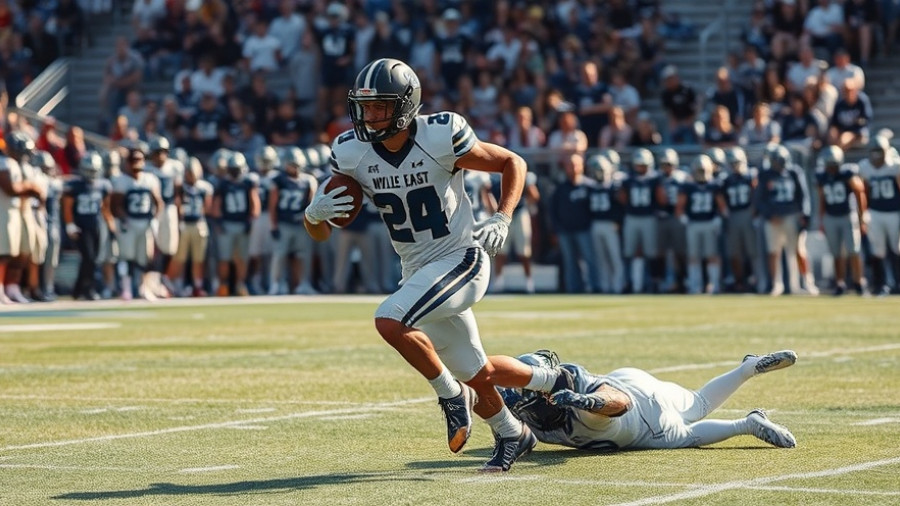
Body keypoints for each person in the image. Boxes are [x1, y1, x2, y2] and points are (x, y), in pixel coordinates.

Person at [304, 58, 570, 472]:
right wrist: (312, 216)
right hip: (417, 271)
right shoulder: (350, 153)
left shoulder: (441, 134)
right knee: (477, 371)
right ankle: (517, 425)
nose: (370, 116)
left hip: (461, 259)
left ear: (406, 106)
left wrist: (502, 216)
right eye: (365, 106)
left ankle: (450, 395)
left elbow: (512, 162)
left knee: (389, 319)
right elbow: (322, 233)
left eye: (380, 106)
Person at [498, 349, 798, 452]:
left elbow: (618, 403)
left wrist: (585, 401)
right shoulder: (531, 414)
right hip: (631, 379)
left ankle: (747, 424)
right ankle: (747, 368)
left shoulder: (574, 408)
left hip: (644, 418)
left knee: (689, 433)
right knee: (698, 403)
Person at [755, 144, 811, 296]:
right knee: (774, 252)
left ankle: (805, 283)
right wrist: (769, 215)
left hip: (792, 215)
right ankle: (776, 284)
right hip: (773, 218)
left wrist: (804, 215)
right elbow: (759, 199)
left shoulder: (794, 172)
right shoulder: (765, 175)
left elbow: (803, 195)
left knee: (798, 250)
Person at [111, 143, 164, 300]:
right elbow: (116, 205)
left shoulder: (150, 179)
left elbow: (158, 202)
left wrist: (155, 219)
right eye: (133, 160)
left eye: (140, 159)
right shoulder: (121, 181)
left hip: (145, 222)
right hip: (129, 223)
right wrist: (123, 219)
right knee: (126, 257)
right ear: (127, 162)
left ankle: (143, 288)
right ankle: (126, 289)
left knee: (144, 258)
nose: (137, 163)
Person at [62, 152, 116, 301]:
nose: (91, 173)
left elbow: (105, 208)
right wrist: (70, 225)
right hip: (80, 226)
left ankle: (78, 290)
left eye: (94, 170)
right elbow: (67, 207)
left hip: (96, 225)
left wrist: (111, 224)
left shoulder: (103, 185)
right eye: (89, 170)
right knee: (89, 258)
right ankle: (88, 289)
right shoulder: (75, 185)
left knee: (92, 259)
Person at [815, 146, 867, 296]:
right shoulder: (822, 176)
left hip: (847, 214)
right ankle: (840, 283)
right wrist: (821, 220)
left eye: (833, 165)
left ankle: (858, 282)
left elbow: (860, 193)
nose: (831, 168)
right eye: (829, 165)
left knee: (853, 250)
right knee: (836, 252)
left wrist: (861, 217)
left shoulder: (847, 173)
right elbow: (822, 199)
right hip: (831, 216)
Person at [676, 155, 727, 294]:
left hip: (710, 222)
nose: (701, 173)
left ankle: (714, 285)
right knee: (694, 256)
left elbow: (722, 206)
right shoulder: (688, 186)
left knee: (712, 255)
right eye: (699, 170)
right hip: (693, 223)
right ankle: (695, 286)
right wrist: (683, 218)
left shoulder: (715, 185)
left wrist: (719, 218)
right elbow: (679, 206)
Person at [269, 148, 317, 295]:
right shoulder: (278, 180)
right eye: (291, 165)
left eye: (296, 165)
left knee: (302, 255)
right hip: (284, 222)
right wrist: (273, 225)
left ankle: (303, 283)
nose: (294, 168)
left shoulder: (308, 180)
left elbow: (312, 204)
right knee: (280, 255)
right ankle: (276, 283)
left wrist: (310, 223)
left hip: (301, 224)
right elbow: (272, 205)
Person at [212, 151, 260, 297]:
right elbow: (216, 206)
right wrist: (219, 222)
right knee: (224, 258)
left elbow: (255, 204)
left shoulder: (248, 183)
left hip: (242, 223)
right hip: (227, 223)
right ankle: (224, 285)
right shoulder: (223, 184)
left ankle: (240, 284)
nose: (234, 172)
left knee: (241, 259)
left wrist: (250, 221)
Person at [857, 134, 900, 296]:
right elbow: (863, 192)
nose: (876, 155)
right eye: (874, 151)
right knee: (877, 251)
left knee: (897, 248)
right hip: (875, 212)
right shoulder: (865, 167)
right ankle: (880, 285)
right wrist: (863, 214)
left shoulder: (895, 166)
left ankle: (897, 283)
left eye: (879, 151)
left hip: (894, 211)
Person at [167, 157, 213, 297]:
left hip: (198, 223)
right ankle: (174, 285)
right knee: (179, 258)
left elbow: (207, 208)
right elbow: (177, 205)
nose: (191, 175)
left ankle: (197, 285)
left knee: (198, 259)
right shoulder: (180, 187)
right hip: (183, 224)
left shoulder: (205, 187)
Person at [721, 147, 761, 293]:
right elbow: (721, 197)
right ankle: (739, 281)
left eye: (737, 162)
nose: (734, 165)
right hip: (733, 215)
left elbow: (756, 194)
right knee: (734, 252)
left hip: (748, 213)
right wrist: (725, 212)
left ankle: (757, 280)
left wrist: (754, 212)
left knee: (753, 251)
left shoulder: (751, 175)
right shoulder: (726, 179)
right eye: (732, 163)